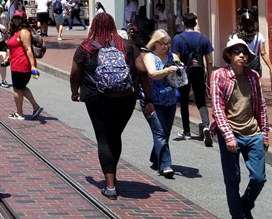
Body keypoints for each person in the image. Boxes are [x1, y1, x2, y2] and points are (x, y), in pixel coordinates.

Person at [70, 12, 153, 199]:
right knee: (115, 135)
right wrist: (149, 99)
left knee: (103, 137)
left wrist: (74, 92)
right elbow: (142, 72)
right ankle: (112, 174)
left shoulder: (86, 48)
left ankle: (110, 185)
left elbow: (75, 74)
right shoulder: (129, 47)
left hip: (95, 96)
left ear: (94, 27)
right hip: (125, 97)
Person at [210, 35, 269, 219]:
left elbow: (261, 106)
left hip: (252, 133)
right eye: (237, 52)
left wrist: (265, 133)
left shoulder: (253, 76)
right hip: (230, 133)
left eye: (244, 52)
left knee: (259, 178)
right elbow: (217, 109)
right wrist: (228, 136)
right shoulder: (219, 75)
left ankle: (243, 207)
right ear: (229, 55)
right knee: (232, 179)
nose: (242, 56)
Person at [140, 30, 180, 179]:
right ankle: (165, 165)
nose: (165, 46)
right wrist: (167, 70)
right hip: (152, 101)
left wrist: (179, 71)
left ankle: (155, 156)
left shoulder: (173, 56)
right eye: (162, 43)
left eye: (168, 43)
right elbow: (152, 73)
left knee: (165, 133)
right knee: (160, 133)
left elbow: (180, 75)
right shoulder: (150, 57)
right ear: (155, 43)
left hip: (169, 100)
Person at [171, 13, 214, 146]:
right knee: (200, 100)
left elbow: (176, 58)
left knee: (184, 100)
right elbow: (210, 60)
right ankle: (206, 126)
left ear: (183, 23)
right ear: (195, 24)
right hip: (199, 70)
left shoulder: (178, 39)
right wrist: (210, 77)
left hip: (184, 72)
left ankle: (187, 131)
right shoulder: (204, 38)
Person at [5, 12, 42, 118]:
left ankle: (19, 113)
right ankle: (35, 107)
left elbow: (28, 50)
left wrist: (33, 66)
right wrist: (9, 58)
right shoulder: (16, 31)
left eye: (19, 18)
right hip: (16, 63)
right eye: (15, 18)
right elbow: (14, 48)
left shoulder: (24, 32)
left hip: (22, 65)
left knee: (17, 89)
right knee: (21, 87)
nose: (17, 20)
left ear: (23, 19)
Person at [237, 11, 272, 81]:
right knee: (254, 88)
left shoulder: (235, 37)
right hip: (254, 69)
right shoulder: (259, 36)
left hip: (239, 67)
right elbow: (263, 53)